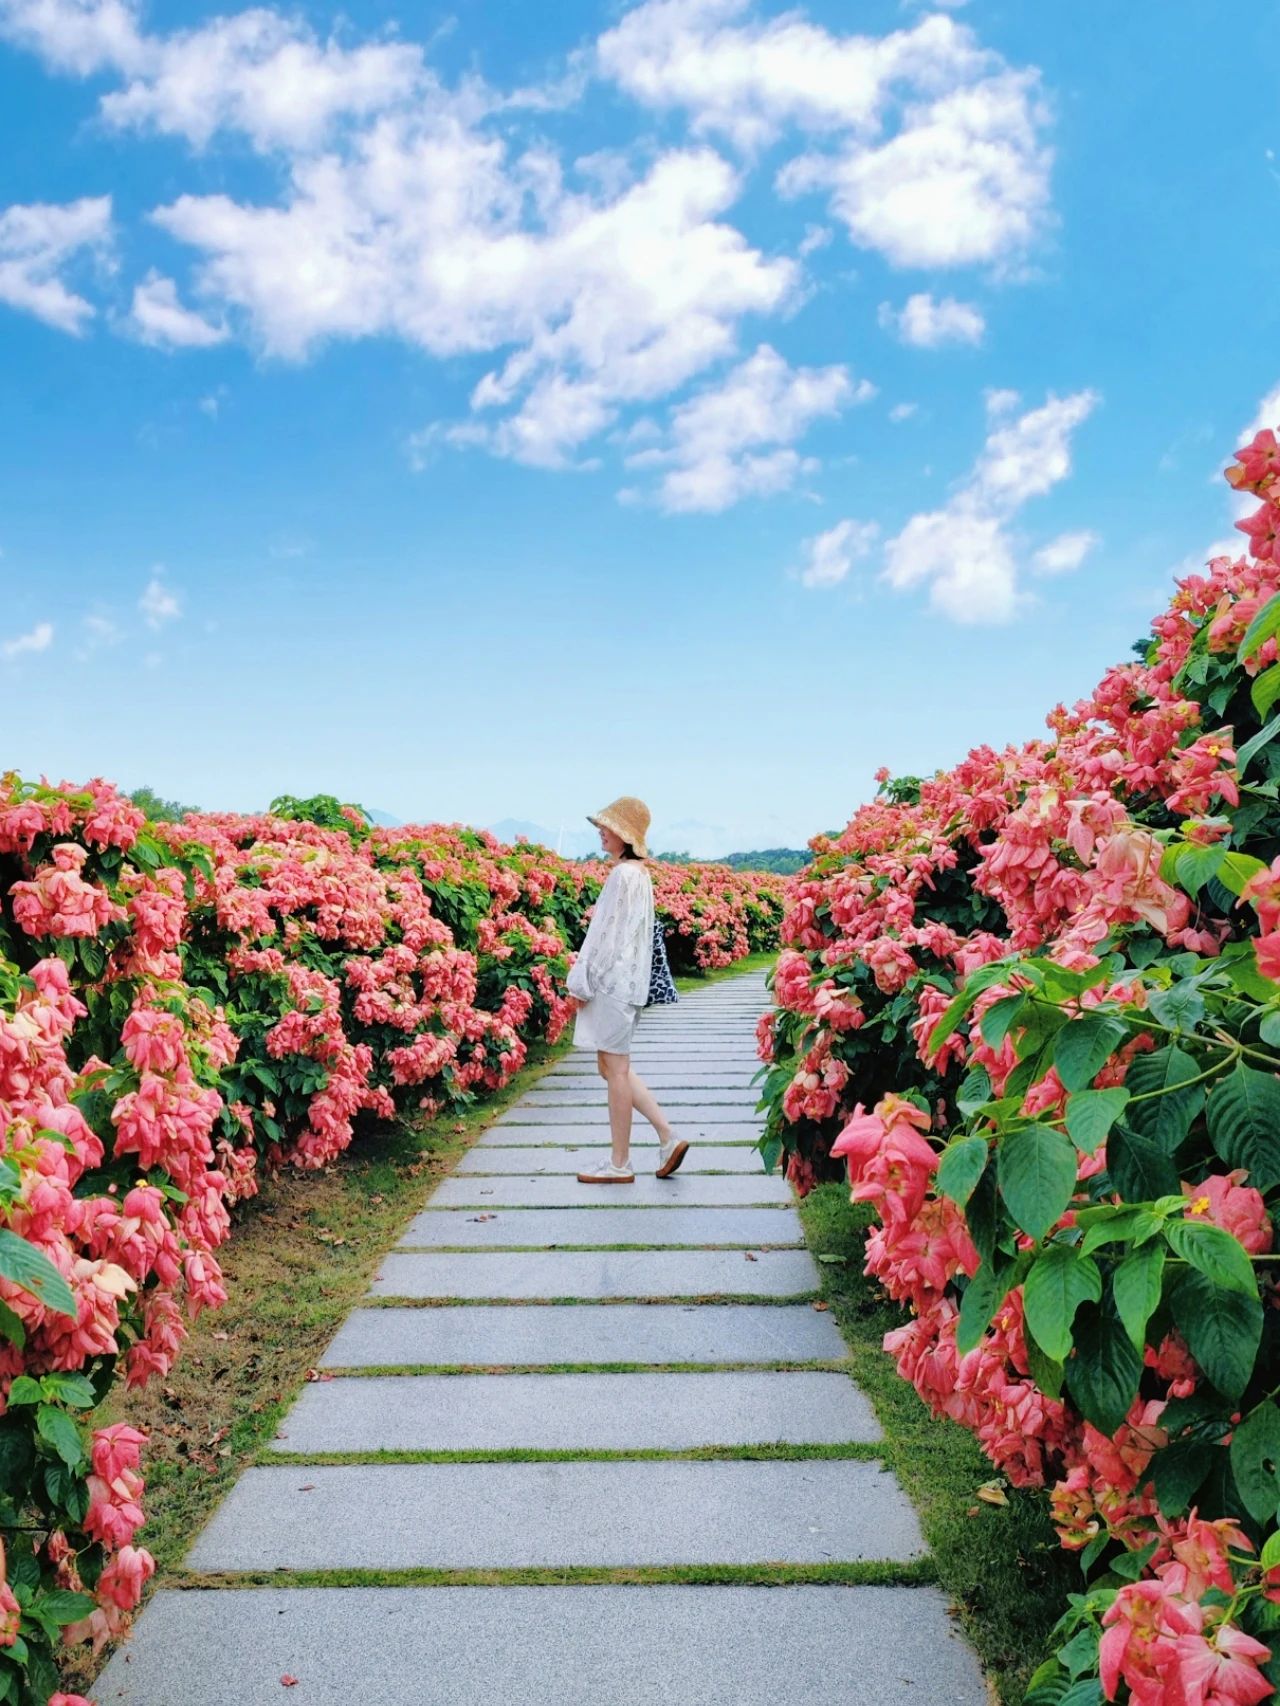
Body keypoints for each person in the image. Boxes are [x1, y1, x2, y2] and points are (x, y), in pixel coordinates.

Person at [564, 795, 688, 1185]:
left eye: (609, 827)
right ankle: (668, 1137)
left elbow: (606, 936)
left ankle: (621, 1162)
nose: (602, 832)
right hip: (627, 982)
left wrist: (582, 980)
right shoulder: (639, 874)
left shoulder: (623, 876)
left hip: (613, 983)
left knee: (614, 1070)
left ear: (625, 835)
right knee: (612, 1066)